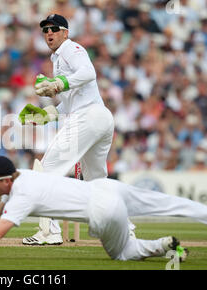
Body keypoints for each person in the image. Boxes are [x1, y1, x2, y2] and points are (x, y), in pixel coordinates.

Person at [0, 156, 207, 260]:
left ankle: (162, 245)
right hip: (108, 187)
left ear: (3, 180)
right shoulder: (22, 176)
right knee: (171, 203)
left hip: (103, 209)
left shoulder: (22, 194)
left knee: (122, 254)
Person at [18, 14, 127, 245]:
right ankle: (126, 231)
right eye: (45, 30)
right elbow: (69, 103)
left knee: (47, 170)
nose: (49, 33)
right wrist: (44, 115)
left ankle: (50, 232)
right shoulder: (57, 59)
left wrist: (58, 84)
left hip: (89, 117)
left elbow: (89, 73)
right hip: (99, 117)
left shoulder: (70, 48)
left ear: (65, 32)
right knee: (97, 181)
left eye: (54, 29)